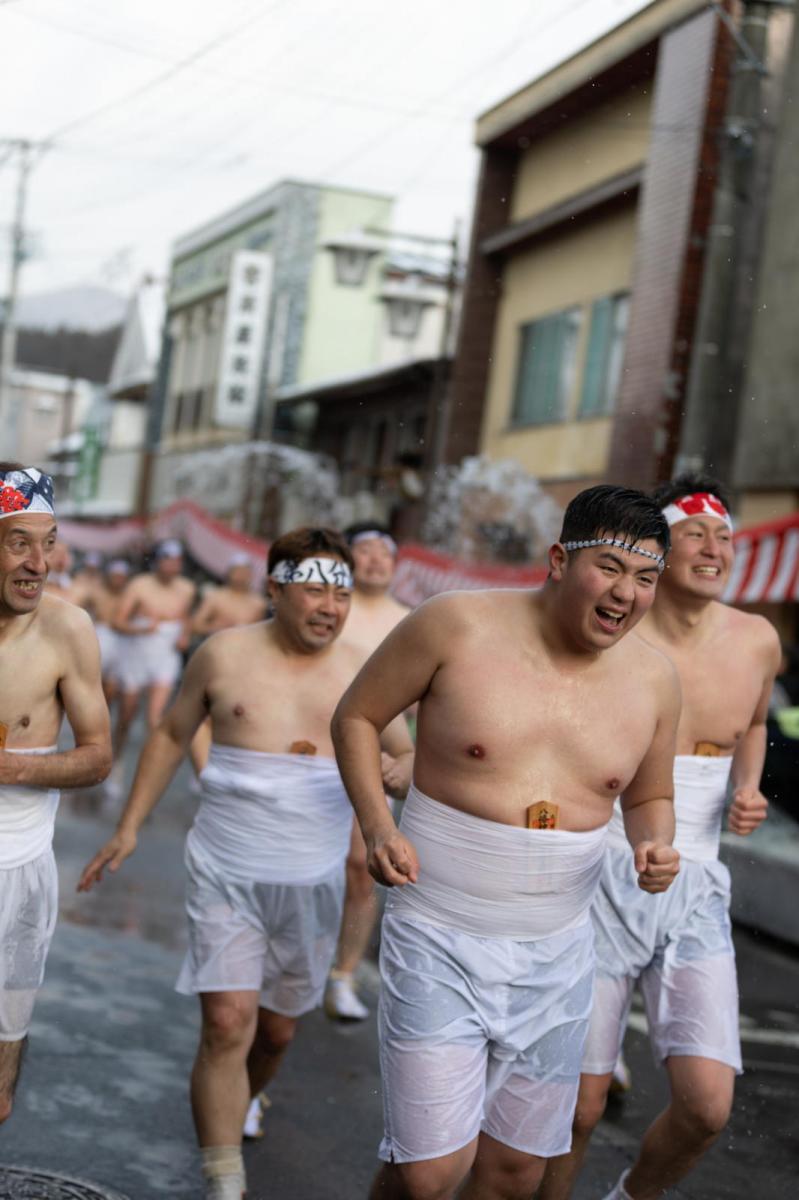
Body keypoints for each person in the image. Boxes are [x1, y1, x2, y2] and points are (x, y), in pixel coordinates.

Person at [331, 485, 681, 1200]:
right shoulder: (454, 624)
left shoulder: (654, 679)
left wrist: (654, 844)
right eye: (610, 568)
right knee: (428, 1174)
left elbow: (648, 796)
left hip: (557, 953)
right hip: (439, 932)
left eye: (646, 578)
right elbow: (356, 717)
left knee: (515, 1173)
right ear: (558, 559)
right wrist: (377, 826)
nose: (627, 593)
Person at [78, 526, 414, 1200]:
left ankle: (250, 1094)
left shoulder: (364, 670)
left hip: (311, 881)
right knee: (228, 1022)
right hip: (224, 870)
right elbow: (172, 732)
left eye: (341, 594)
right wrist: (129, 827)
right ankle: (224, 1177)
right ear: (275, 589)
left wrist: (395, 772)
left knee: (277, 1033)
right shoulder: (223, 654)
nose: (330, 607)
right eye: (314, 590)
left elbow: (404, 753)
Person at [538, 476, 780, 1200]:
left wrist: (747, 785)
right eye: (695, 534)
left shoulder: (757, 639)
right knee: (578, 1109)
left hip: (697, 882)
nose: (714, 549)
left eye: (724, 537)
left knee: (707, 1107)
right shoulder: (613, 633)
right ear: (659, 552)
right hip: (602, 872)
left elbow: (754, 722)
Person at [0, 464, 111, 1124]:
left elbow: (97, 756)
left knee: (0, 1069)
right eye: (19, 542)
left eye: (48, 543)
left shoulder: (68, 629)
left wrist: (10, 769)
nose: (38, 564)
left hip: (20, 868)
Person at [325, 523, 410, 1022]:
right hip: (315, 753)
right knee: (313, 866)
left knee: (362, 868)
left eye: (385, 552)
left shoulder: (411, 621)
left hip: (378, 757)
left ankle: (343, 973)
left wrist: (406, 759)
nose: (376, 560)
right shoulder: (332, 607)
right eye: (365, 551)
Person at [110, 539, 196, 783]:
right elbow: (118, 621)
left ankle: (150, 774)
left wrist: (185, 635)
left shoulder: (187, 588)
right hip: (138, 650)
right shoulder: (139, 585)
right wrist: (142, 629)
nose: (172, 566)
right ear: (158, 562)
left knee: (155, 717)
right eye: (167, 560)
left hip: (165, 654)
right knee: (127, 715)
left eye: (176, 561)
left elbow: (186, 618)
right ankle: (116, 759)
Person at [191, 552, 267, 637]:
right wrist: (215, 629)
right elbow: (196, 625)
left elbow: (258, 634)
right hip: (216, 640)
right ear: (230, 573)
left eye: (244, 571)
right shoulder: (215, 596)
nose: (240, 575)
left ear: (250, 574)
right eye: (237, 571)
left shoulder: (258, 603)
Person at [92, 559, 132, 702]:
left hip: (121, 640)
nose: (118, 580)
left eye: (121, 577)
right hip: (101, 636)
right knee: (94, 681)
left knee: (112, 686)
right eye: (115, 576)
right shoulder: (96, 593)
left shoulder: (130, 596)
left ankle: (105, 712)